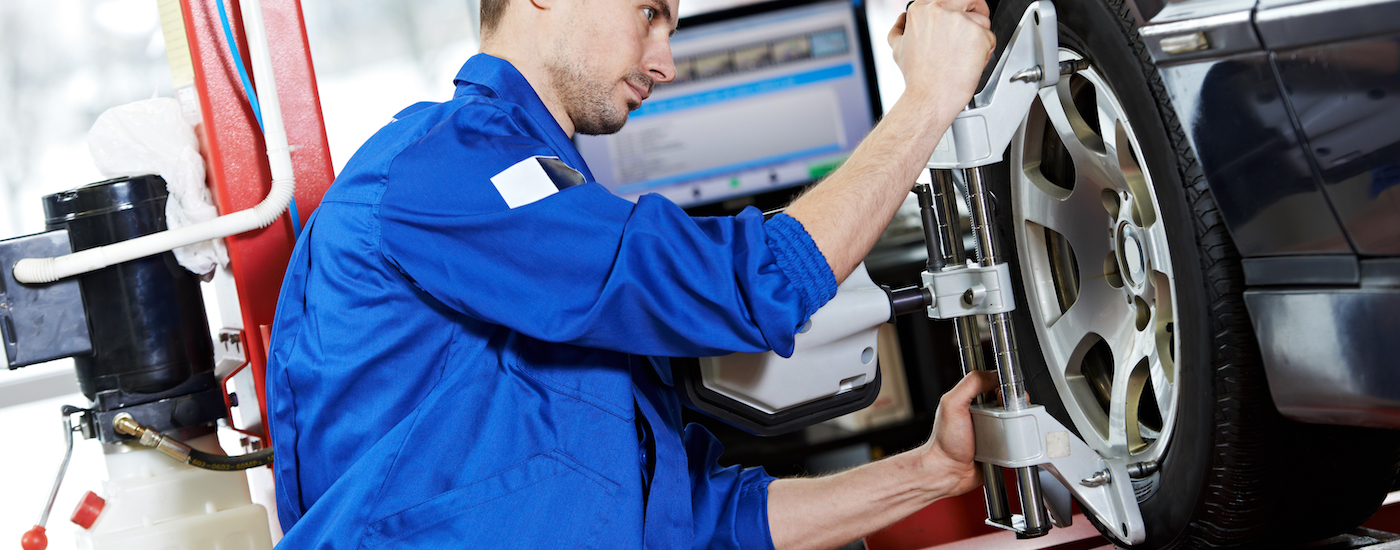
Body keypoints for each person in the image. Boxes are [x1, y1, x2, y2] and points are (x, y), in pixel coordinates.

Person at [263, 0, 996, 546]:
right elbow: (745, 284)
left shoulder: (550, 203)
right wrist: (928, 100)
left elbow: (687, 522)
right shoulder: (441, 170)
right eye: (649, 13)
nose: (665, 62)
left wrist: (930, 471)